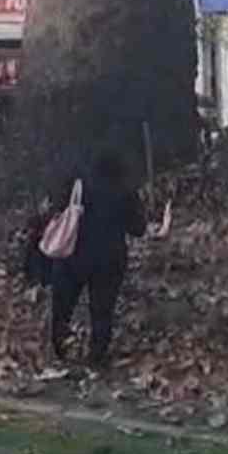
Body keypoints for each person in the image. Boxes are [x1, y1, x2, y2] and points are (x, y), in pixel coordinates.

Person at [49, 151, 146, 366]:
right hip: (110, 260)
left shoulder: (78, 185)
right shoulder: (125, 190)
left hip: (74, 257)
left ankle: (61, 348)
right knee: (102, 311)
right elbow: (138, 228)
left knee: (63, 306)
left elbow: (57, 210)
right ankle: (96, 356)